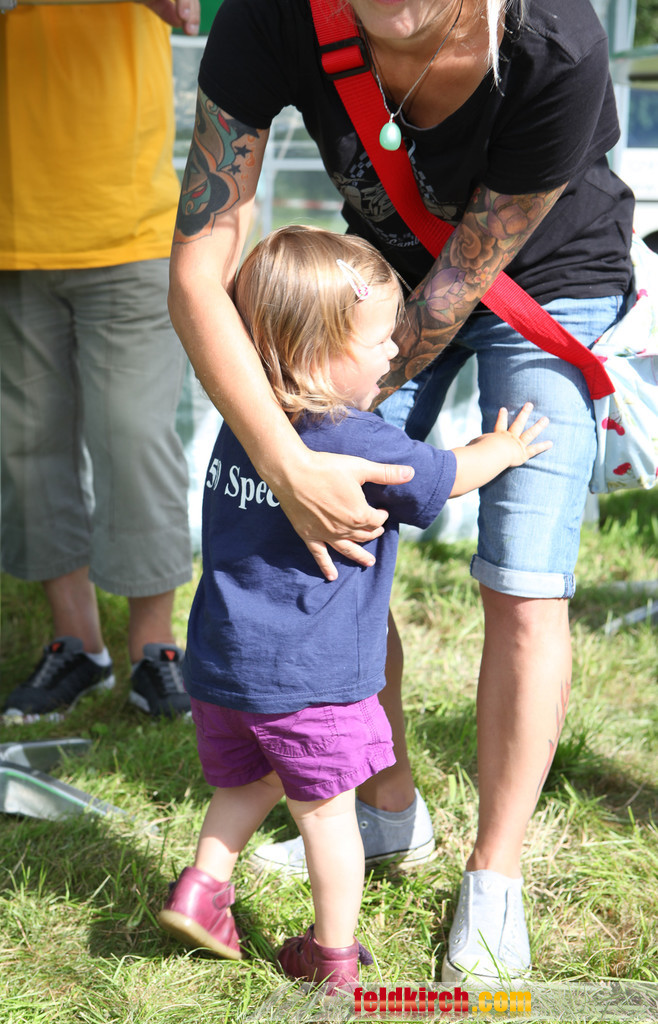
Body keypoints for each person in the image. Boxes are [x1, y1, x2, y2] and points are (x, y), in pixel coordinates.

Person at [167, 0, 634, 985]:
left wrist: (354, 423)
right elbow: (200, 269)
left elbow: (465, 279)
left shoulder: (556, 40)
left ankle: (494, 876)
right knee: (316, 531)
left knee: (523, 577)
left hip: (544, 284)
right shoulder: (270, 16)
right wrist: (289, 460)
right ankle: (381, 809)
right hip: (370, 294)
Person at [158, 225, 551, 994]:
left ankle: (202, 889)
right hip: (309, 677)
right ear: (314, 353)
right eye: (378, 340)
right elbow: (445, 476)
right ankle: (331, 958)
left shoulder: (247, 428)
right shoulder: (358, 437)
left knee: (249, 783)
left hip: (223, 665)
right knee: (329, 818)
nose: (394, 352)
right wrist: (500, 450)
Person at [0, 0, 201, 720]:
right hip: (9, 227)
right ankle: (77, 642)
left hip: (128, 225)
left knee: (133, 435)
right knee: (29, 445)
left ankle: (154, 647)